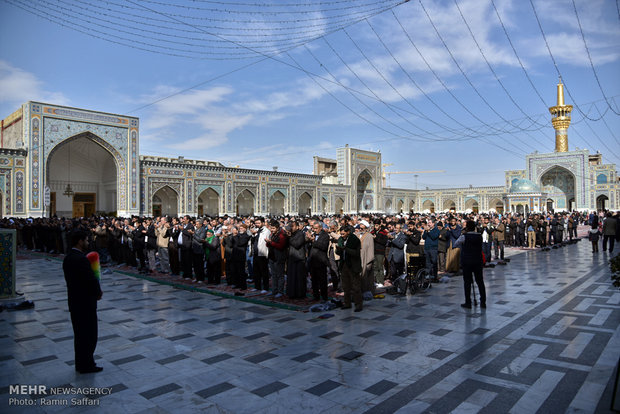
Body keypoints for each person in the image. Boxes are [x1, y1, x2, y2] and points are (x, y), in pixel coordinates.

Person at [63, 230, 103, 374]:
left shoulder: (68, 258)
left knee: (79, 336)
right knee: (89, 335)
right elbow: (90, 279)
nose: (87, 243)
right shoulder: (81, 259)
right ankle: (87, 364)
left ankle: (81, 363)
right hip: (85, 303)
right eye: (86, 240)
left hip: (74, 302)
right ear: (79, 241)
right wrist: (98, 292)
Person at [455, 220, 486, 309]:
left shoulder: (464, 236)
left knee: (467, 282)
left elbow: (456, 243)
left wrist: (463, 234)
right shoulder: (479, 236)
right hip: (477, 261)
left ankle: (468, 302)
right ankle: (483, 302)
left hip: (467, 262)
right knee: (480, 282)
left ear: (467, 228)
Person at [337, 225, 363, 312]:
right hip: (344, 264)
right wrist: (339, 249)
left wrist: (346, 249)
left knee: (355, 286)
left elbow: (356, 253)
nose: (342, 235)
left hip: (353, 265)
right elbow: (338, 252)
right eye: (341, 234)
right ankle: (347, 303)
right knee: (346, 286)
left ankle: (358, 304)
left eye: (343, 233)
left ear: (348, 232)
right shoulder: (341, 239)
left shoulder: (354, 240)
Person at [307, 221, 330, 302]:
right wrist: (309, 239)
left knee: (322, 281)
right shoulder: (314, 235)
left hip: (321, 261)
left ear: (320, 228)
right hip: (313, 260)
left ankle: (324, 297)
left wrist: (314, 241)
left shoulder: (325, 236)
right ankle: (315, 296)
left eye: (316, 228)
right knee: (314, 280)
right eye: (314, 228)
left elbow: (323, 247)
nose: (315, 230)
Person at [266, 219, 288, 298]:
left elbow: (280, 246)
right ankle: (274, 290)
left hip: (279, 257)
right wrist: (268, 243)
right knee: (273, 275)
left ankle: (280, 291)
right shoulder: (272, 234)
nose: (272, 230)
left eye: (273, 228)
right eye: (271, 228)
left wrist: (271, 242)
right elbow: (269, 245)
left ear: (277, 228)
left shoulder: (282, 235)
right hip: (272, 256)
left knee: (280, 275)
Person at [287, 221, 307, 299]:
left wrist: (290, 237)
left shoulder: (300, 234)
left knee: (299, 278)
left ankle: (300, 294)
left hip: (299, 258)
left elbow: (297, 244)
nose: (291, 228)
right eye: (290, 226)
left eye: (293, 226)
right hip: (292, 257)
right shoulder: (291, 234)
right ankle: (292, 294)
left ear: (297, 227)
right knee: (292, 277)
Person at [250, 218, 270, 293]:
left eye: (258, 223)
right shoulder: (257, 231)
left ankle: (265, 287)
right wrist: (253, 235)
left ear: (262, 223)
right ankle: (257, 286)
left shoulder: (266, 231)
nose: (257, 225)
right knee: (256, 271)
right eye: (256, 223)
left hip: (262, 253)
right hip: (256, 253)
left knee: (264, 272)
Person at [358, 220, 375, 297]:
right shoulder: (357, 235)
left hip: (365, 260)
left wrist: (369, 262)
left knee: (366, 278)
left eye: (362, 228)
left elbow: (371, 250)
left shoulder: (369, 236)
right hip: (358, 259)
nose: (360, 230)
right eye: (360, 228)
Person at [192, 219, 207, 283]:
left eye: (197, 224)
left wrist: (193, 234)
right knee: (195, 265)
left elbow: (200, 239)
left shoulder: (203, 230)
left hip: (199, 249)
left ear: (201, 224)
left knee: (200, 265)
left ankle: (201, 278)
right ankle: (197, 277)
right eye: (196, 224)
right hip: (194, 249)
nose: (196, 225)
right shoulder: (196, 229)